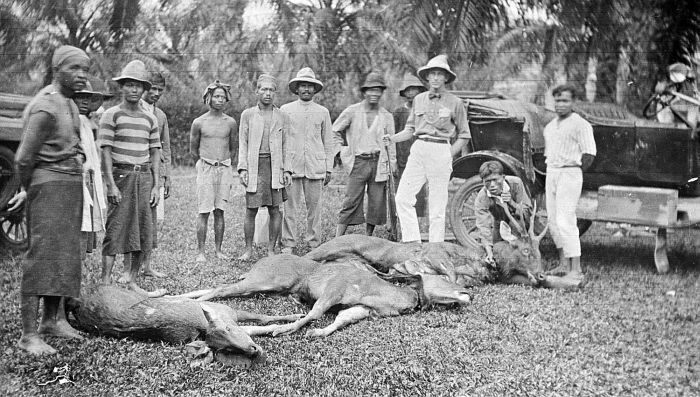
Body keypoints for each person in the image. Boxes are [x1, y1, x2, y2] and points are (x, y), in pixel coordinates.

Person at [15, 45, 89, 355]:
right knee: (42, 256)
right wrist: (26, 190)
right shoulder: (44, 107)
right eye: (74, 69)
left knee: (65, 255)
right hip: (48, 186)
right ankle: (29, 334)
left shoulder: (69, 103)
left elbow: (72, 141)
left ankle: (52, 321)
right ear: (57, 70)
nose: (81, 75)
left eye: (84, 69)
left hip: (70, 186)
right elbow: (23, 158)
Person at [386, 55, 471, 243]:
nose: (435, 78)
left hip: (441, 149)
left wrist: (447, 154)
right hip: (419, 149)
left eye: (439, 74)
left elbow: (464, 135)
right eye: (432, 74)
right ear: (427, 77)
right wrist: (391, 138)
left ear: (446, 78)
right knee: (403, 198)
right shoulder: (419, 99)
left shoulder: (455, 102)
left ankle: (435, 249)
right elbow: (410, 130)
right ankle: (412, 244)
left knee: (437, 207)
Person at [99, 60, 162, 293]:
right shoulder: (111, 115)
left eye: (138, 86)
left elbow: (155, 151)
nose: (134, 90)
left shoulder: (150, 118)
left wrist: (156, 185)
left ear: (144, 89)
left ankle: (132, 280)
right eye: (129, 85)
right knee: (116, 227)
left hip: (143, 176)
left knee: (142, 228)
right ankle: (105, 282)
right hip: (121, 175)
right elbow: (105, 150)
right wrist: (110, 184)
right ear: (122, 87)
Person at [333, 72, 396, 238]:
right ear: (364, 91)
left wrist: (392, 163)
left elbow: (391, 142)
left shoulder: (387, 116)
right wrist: (342, 151)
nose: (374, 94)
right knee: (351, 200)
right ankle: (338, 238)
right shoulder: (352, 112)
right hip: (358, 161)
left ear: (382, 92)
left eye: (378, 90)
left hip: (378, 162)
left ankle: (368, 237)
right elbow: (335, 131)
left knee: (376, 202)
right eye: (370, 90)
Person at [543, 84, 596, 277]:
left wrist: (573, 171)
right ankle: (563, 264)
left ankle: (576, 269)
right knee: (553, 219)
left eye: (565, 100)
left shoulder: (580, 124)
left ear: (573, 102)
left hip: (570, 173)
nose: (560, 104)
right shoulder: (550, 127)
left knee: (566, 219)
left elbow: (589, 154)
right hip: (552, 172)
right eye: (557, 100)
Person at [238, 74, 291, 260]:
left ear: (275, 93)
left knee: (275, 209)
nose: (267, 93)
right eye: (264, 89)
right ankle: (248, 250)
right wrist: (243, 168)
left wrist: (287, 170)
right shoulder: (248, 115)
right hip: (255, 166)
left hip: (275, 166)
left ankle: (271, 249)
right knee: (251, 209)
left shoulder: (282, 116)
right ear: (257, 91)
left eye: (271, 90)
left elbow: (286, 144)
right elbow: (242, 143)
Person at [280, 67, 334, 253]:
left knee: (315, 208)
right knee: (289, 208)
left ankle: (314, 243)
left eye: (309, 86)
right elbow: (282, 140)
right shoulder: (285, 110)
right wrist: (283, 167)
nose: (306, 90)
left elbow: (328, 141)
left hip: (315, 165)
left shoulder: (322, 112)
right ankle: (288, 243)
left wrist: (329, 168)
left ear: (314, 89)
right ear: (296, 89)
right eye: (302, 86)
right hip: (292, 166)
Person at [190, 80, 238, 262]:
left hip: (224, 168)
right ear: (208, 98)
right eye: (216, 96)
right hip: (206, 168)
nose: (219, 100)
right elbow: (193, 150)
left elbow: (233, 148)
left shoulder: (231, 122)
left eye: (222, 97)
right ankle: (201, 252)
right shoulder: (199, 122)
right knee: (204, 211)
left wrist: (225, 164)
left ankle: (218, 250)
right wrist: (203, 165)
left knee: (220, 210)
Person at [131, 70, 172, 276]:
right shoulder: (134, 109)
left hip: (154, 174)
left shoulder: (161, 115)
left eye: (160, 90)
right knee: (133, 219)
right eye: (153, 88)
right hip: (135, 170)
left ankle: (147, 266)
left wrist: (165, 178)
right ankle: (129, 268)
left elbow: (165, 149)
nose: (156, 93)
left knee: (151, 220)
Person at [474, 161, 532, 263]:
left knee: (521, 253)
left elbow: (527, 212)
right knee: (497, 253)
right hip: (499, 224)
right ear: (482, 182)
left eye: (495, 180)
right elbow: (483, 227)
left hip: (519, 223)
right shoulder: (482, 197)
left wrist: (511, 202)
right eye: (487, 181)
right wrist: (489, 251)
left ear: (503, 177)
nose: (492, 185)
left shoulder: (516, 183)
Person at [393, 73, 428, 218]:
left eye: (414, 90)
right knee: (401, 191)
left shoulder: (425, 111)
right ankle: (400, 220)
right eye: (408, 91)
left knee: (419, 192)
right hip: (402, 158)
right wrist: (393, 160)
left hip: (420, 157)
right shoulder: (398, 112)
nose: (411, 94)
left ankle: (418, 221)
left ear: (420, 92)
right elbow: (394, 134)